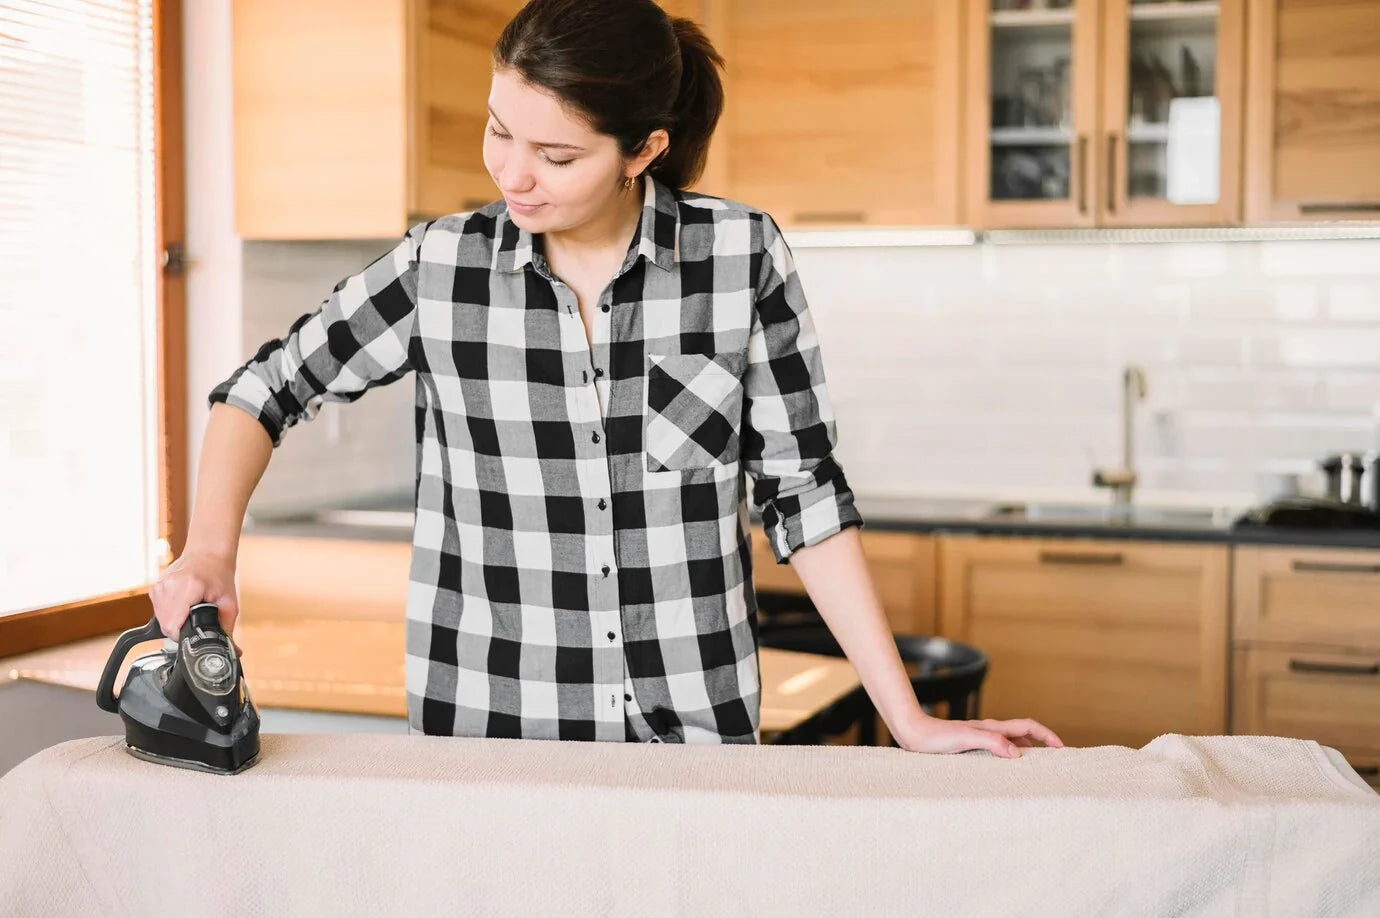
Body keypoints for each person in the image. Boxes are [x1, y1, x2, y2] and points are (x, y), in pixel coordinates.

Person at [152, 0, 1063, 757]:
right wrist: (209, 553)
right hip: (490, 743)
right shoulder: (442, 267)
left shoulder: (738, 257)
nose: (513, 174)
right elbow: (262, 390)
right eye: (499, 131)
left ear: (643, 151)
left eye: (556, 157)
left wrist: (907, 718)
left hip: (695, 741)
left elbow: (804, 493)